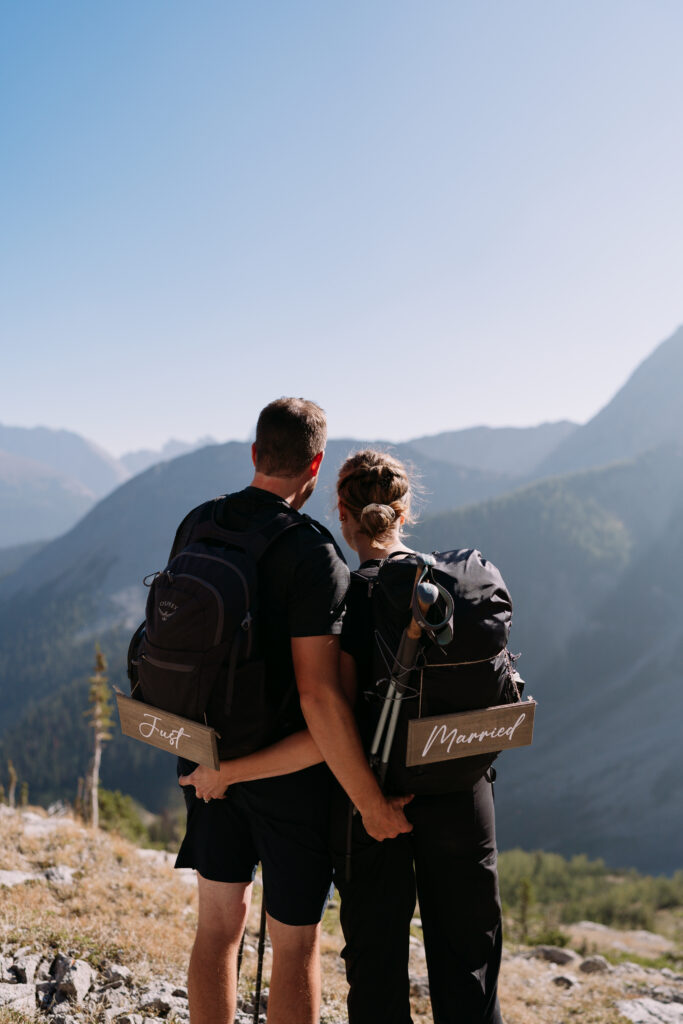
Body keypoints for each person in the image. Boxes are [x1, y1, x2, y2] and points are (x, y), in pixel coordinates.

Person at [172, 401, 412, 1024]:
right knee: (294, 942)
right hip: (287, 775)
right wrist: (368, 799)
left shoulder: (199, 522)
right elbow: (319, 697)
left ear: (255, 453)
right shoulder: (313, 554)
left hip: (205, 755)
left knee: (218, 926)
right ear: (315, 465)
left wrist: (215, 763)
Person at [331, 448, 506, 1024]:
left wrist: (366, 801)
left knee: (377, 968)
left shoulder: (353, 593)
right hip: (463, 785)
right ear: (405, 512)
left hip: (379, 795)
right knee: (470, 965)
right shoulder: (460, 581)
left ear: (343, 512)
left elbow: (338, 707)